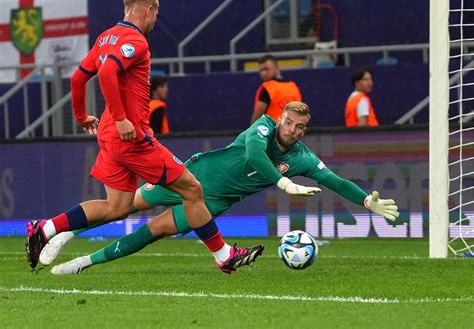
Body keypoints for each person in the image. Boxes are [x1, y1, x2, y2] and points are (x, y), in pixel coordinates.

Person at [26, 0, 263, 274]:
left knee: (117, 207)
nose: (155, 20)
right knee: (192, 188)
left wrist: (81, 116)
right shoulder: (136, 41)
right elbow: (109, 72)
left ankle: (45, 228)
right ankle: (224, 255)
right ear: (149, 10)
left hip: (110, 135)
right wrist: (123, 116)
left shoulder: (105, 37)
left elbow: (78, 79)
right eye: (156, 14)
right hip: (130, 136)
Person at [41, 102, 399, 275]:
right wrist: (282, 181)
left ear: (305, 130)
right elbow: (257, 156)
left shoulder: (303, 157)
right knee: (124, 205)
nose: (292, 129)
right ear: (280, 120)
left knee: (154, 231)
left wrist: (366, 200)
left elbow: (333, 180)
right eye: (288, 123)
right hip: (192, 176)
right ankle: (65, 233)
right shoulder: (261, 128)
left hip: (212, 201)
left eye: (299, 127)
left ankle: (81, 263)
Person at [251, 54, 302, 124]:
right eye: (261, 70)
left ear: (276, 68)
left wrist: (251, 131)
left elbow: (258, 115)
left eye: (266, 69)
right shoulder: (293, 86)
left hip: (273, 130)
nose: (263, 73)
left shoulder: (267, 88)